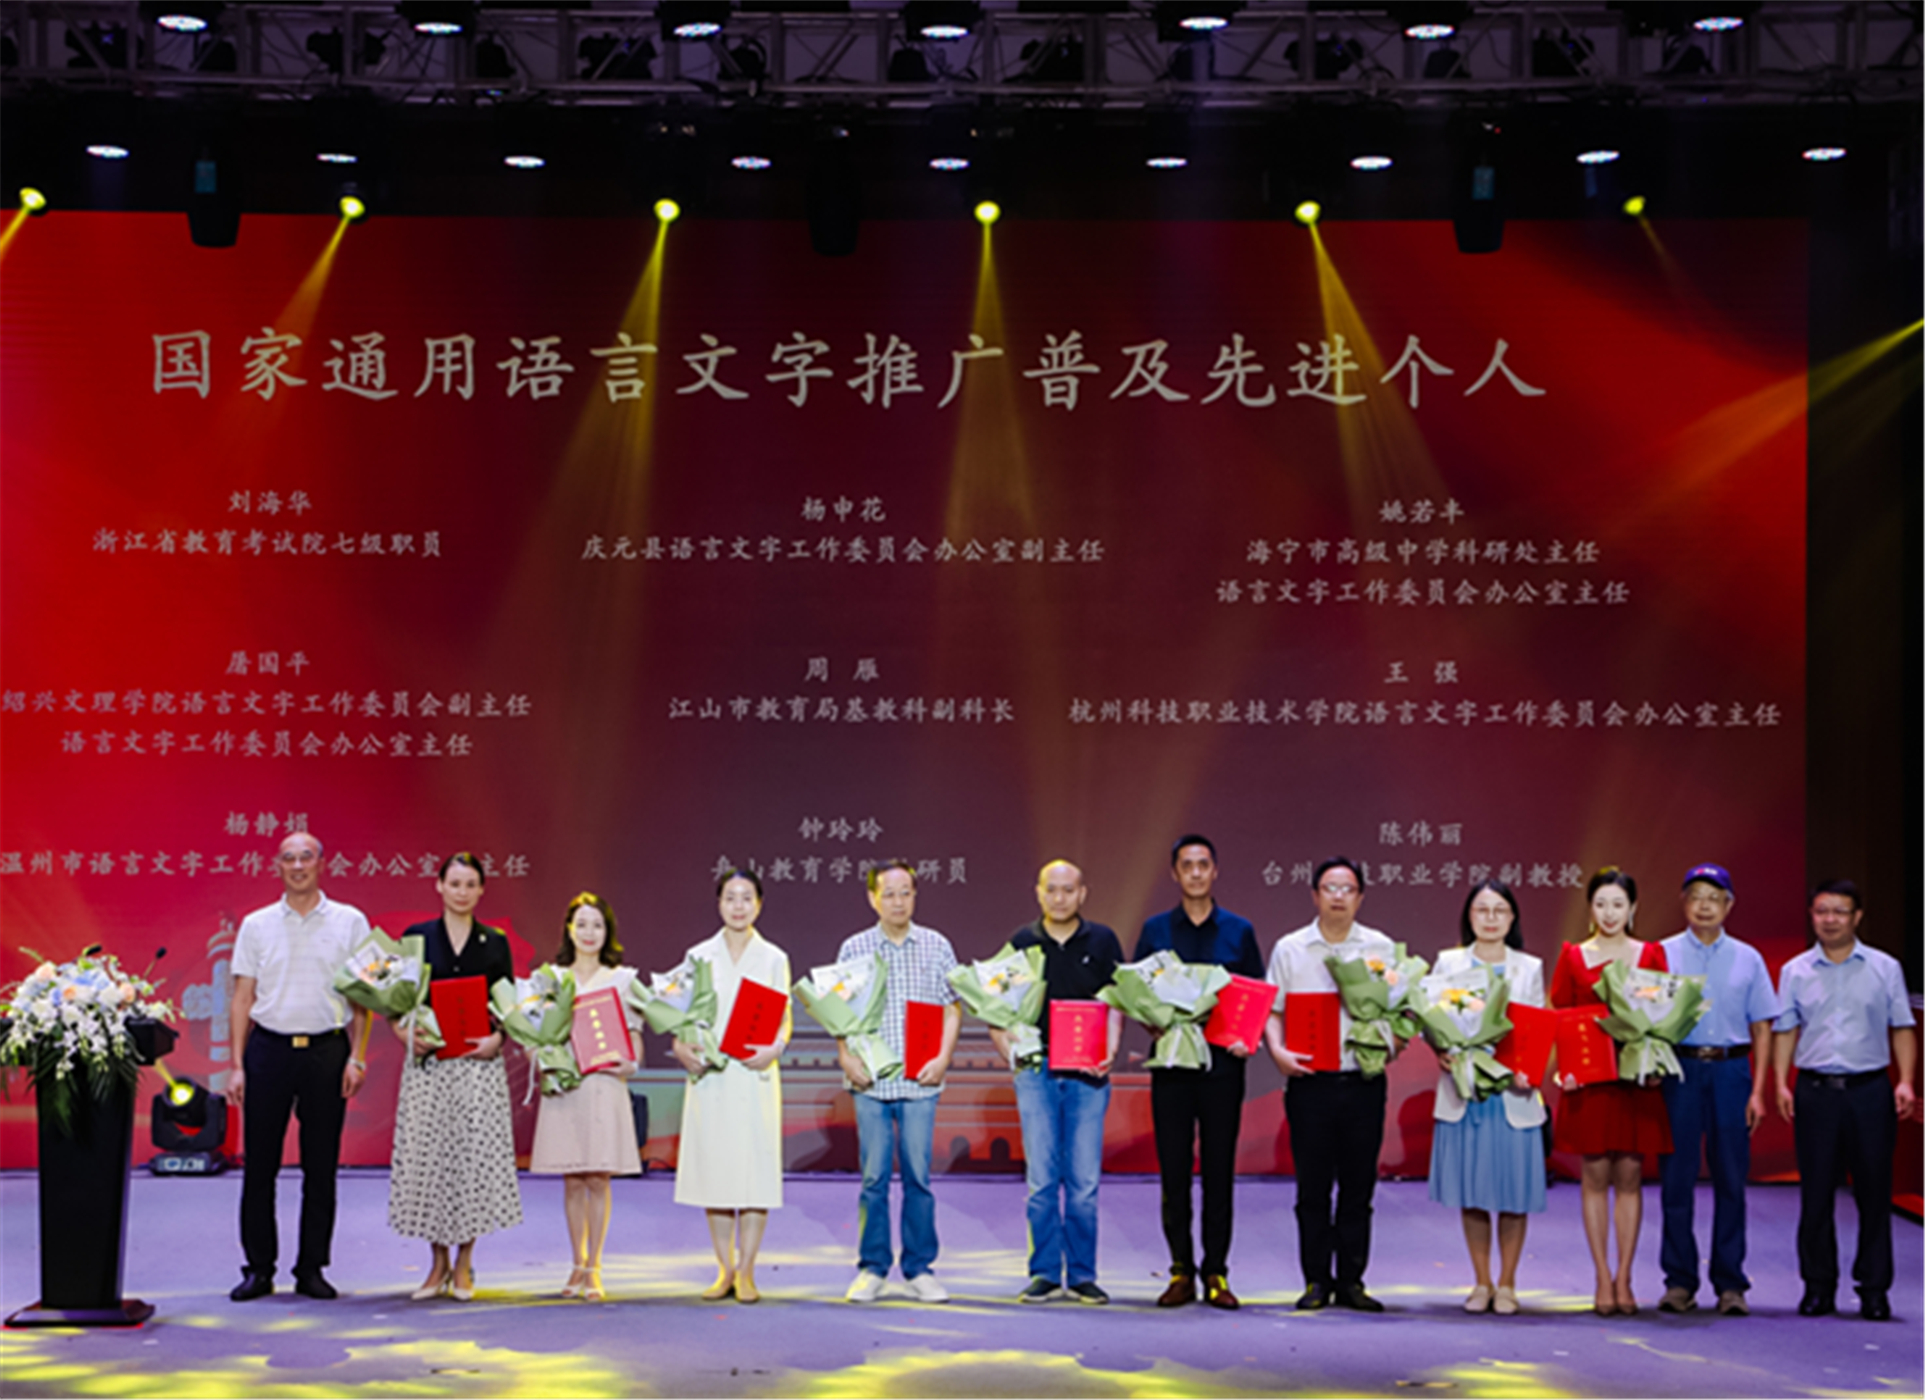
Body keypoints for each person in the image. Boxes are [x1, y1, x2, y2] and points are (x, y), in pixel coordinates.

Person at [227, 830, 373, 1302]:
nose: (296, 865)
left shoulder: (350, 921)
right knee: (259, 1166)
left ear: (321, 863)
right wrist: (237, 1064)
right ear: (277, 866)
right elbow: (242, 998)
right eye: (288, 858)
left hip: (327, 1052)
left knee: (321, 1167)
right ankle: (259, 1269)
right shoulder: (257, 924)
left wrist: (357, 1056)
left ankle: (312, 1268)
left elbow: (364, 996)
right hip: (268, 1050)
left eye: (305, 857)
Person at [1773, 879, 1917, 1321]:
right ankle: (1818, 1287)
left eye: (1839, 911)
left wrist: (1906, 1081)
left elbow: (1902, 1026)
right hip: (1815, 1091)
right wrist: (1780, 1083)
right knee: (1815, 1193)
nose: (1830, 920)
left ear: (1857, 916)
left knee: (1874, 1193)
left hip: (1869, 1091)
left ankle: (1874, 1290)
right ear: (1812, 915)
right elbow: (1785, 1030)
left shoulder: (1884, 967)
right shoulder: (1795, 970)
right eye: (1822, 911)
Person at [1264, 856, 1399, 1313]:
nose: (1338, 896)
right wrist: (1277, 1051)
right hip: (1310, 1084)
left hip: (1363, 1081)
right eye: (1329, 888)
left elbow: (1402, 1007)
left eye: (1347, 889)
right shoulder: (1291, 948)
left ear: (1360, 897)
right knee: (1313, 1188)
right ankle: (1316, 1280)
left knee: (1359, 1188)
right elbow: (1273, 1010)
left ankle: (1353, 1281)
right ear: (1315, 895)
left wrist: (1393, 1043)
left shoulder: (1380, 947)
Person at [386, 852, 523, 1302]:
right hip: (430, 1069)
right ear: (439, 886)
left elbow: (507, 1006)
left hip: (477, 1067)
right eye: (455, 883)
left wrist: (498, 1038)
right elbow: (396, 1001)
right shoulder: (416, 938)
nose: (462, 892)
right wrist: (404, 1032)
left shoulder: (495, 942)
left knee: (471, 1164)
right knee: (431, 1162)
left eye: (470, 884)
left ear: (481, 890)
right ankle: (437, 1261)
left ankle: (464, 1261)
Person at [1137, 835, 1263, 1311]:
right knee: (1173, 1172)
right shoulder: (1155, 930)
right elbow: (1137, 991)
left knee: (1218, 1170)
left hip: (1222, 1067)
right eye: (1186, 865)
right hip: (1171, 1065)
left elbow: (1254, 993)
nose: (1195, 873)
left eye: (1202, 865)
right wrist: (1150, 1020)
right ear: (1175, 873)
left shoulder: (1239, 930)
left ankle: (1216, 1271)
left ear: (1215, 871)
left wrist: (1245, 1036)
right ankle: (1180, 1271)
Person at [1656, 864, 1779, 1317]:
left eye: (1714, 897)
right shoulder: (1662, 953)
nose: (1704, 905)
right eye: (1696, 896)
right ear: (1683, 902)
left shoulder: (1749, 958)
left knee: (1731, 1178)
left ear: (1729, 905)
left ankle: (1730, 1283)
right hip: (1680, 1071)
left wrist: (1757, 1091)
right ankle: (1679, 1282)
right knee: (1676, 1179)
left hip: (1731, 1071)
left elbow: (1762, 1027)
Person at [999, 860, 1125, 1305]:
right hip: (1037, 1073)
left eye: (1068, 890)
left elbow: (1117, 1001)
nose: (1059, 897)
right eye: (1051, 889)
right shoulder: (1021, 943)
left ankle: (1084, 1274)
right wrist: (1012, 1052)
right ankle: (1046, 1273)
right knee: (1041, 1180)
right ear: (1038, 892)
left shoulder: (1103, 940)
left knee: (1084, 1183)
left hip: (1088, 1075)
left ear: (1082, 893)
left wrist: (1110, 1049)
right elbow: (998, 1007)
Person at [837, 860, 962, 1304]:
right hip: (870, 1081)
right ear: (872, 898)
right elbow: (839, 1012)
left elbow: (952, 1007)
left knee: (918, 1177)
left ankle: (919, 1268)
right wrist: (846, 1058)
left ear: (915, 895)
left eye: (905, 892)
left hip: (920, 1080)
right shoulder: (855, 948)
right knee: (873, 1179)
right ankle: (872, 1268)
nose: (897, 901)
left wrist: (943, 1058)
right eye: (888, 893)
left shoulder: (935, 945)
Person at [1549, 866, 1671, 1317]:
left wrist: (1656, 1062)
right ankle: (1602, 1276)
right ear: (1590, 908)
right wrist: (1566, 1068)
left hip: (1635, 1081)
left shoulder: (1650, 954)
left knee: (1631, 1176)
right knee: (1595, 1176)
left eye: (1618, 904)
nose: (1609, 912)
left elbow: (1662, 1014)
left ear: (1632, 908)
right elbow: (1561, 1016)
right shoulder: (1573, 956)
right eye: (1600, 904)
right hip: (1591, 1081)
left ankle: (1625, 1277)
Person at [1426, 880, 1547, 1316]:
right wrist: (1439, 1049)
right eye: (1482, 910)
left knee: (1514, 1194)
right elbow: (1431, 1017)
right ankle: (1481, 1282)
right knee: (1472, 1191)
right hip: (1466, 1089)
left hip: (1512, 1091)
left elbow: (1537, 1026)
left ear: (1512, 918)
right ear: (1469, 916)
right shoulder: (1449, 962)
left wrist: (1530, 1069)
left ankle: (1508, 1284)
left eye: (1499, 911)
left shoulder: (1528, 967)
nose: (1490, 918)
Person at [672, 868, 791, 1304]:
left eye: (746, 898)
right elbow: (682, 1014)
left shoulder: (774, 957)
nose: (738, 906)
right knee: (717, 1175)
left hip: (755, 1074)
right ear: (718, 903)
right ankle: (724, 1270)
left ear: (759, 904)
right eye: (730, 898)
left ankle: (748, 1272)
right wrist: (681, 1047)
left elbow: (783, 1017)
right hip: (712, 1077)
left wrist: (776, 1047)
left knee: (755, 1177)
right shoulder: (698, 956)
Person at [528, 892, 641, 1302]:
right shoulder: (551, 979)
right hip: (567, 1086)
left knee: (598, 1177)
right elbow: (533, 1033)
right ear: (569, 930)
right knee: (572, 1178)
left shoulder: (623, 980)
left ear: (607, 931)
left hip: (604, 1086)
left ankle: (595, 1266)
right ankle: (576, 1262)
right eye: (582, 924)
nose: (589, 933)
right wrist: (541, 1056)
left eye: (597, 925)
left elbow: (634, 1041)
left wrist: (627, 1063)